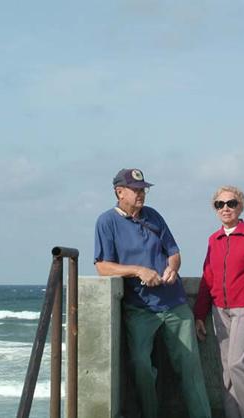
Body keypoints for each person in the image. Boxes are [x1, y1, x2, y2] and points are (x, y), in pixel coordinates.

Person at [94, 168, 212, 418]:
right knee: (141, 367)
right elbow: (102, 266)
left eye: (143, 189)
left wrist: (172, 267)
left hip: (174, 304)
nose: (141, 194)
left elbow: (174, 252)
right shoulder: (106, 221)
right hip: (139, 309)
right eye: (136, 190)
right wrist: (138, 271)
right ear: (119, 192)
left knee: (190, 368)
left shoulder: (154, 216)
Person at [193, 185, 244, 418]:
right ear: (215, 209)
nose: (225, 208)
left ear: (240, 206)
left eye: (231, 203)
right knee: (226, 370)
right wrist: (199, 314)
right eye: (220, 204)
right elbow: (208, 277)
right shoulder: (214, 239)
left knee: (237, 365)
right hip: (219, 312)